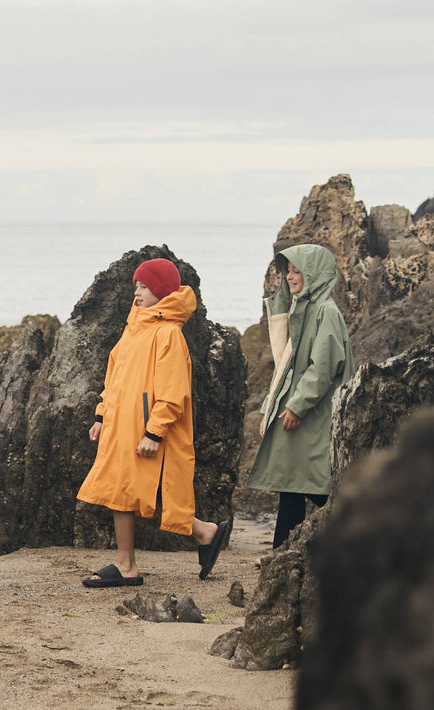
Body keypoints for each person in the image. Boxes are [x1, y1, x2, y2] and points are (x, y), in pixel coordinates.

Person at [76, 258, 226, 587]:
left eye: (144, 286)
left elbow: (173, 393)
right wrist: (102, 415)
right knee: (122, 492)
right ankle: (131, 562)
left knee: (151, 496)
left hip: (147, 432)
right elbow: (114, 379)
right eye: (136, 286)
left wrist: (154, 432)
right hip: (121, 427)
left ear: (160, 290)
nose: (137, 292)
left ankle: (200, 533)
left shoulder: (169, 334)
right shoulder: (134, 330)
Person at [245, 245, 353, 548]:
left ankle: (355, 536)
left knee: (316, 485)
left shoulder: (325, 312)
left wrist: (296, 406)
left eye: (297, 271)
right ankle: (282, 552)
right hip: (300, 411)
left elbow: (324, 368)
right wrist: (271, 407)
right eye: (288, 271)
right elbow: (285, 368)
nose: (290, 277)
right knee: (292, 483)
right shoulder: (303, 309)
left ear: (314, 273)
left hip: (313, 413)